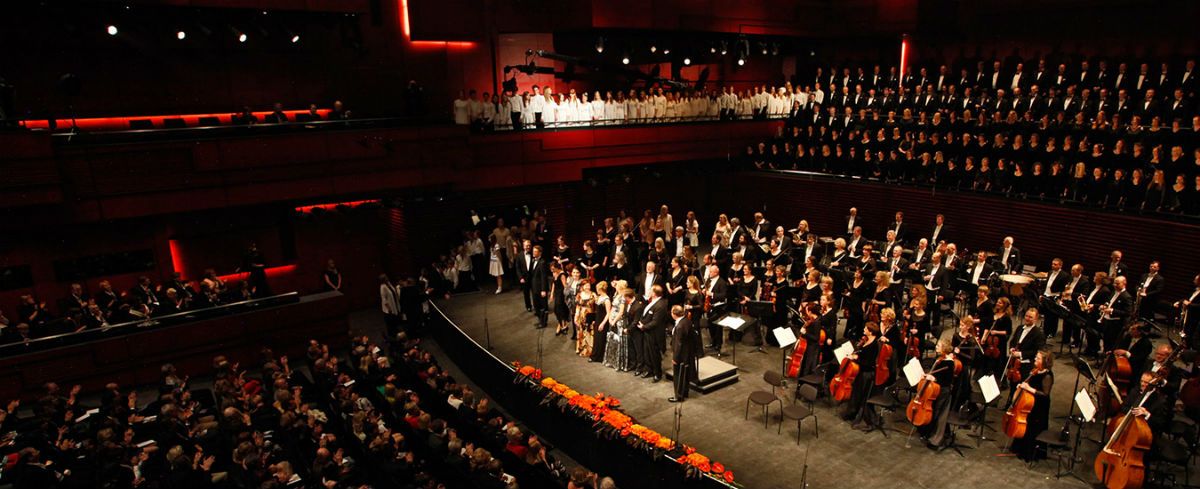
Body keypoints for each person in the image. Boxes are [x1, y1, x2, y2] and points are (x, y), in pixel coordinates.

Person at [1009, 350, 1054, 462]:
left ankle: (1031, 453)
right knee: (1027, 425)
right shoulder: (1035, 371)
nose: (1035, 359)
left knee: (1034, 427)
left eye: (1038, 358)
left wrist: (1028, 388)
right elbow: (1030, 383)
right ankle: (1020, 448)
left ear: (1044, 361)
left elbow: (1045, 394)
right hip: (1030, 403)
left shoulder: (1047, 375)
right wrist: (1022, 385)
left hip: (1040, 405)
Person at [636, 285, 668, 382]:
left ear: (654, 293)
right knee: (647, 352)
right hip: (647, 332)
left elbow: (656, 322)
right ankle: (649, 370)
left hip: (654, 334)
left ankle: (657, 373)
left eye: (650, 290)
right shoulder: (652, 301)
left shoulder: (661, 305)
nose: (648, 291)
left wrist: (643, 326)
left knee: (654, 354)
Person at [669, 305, 699, 402]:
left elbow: (678, 344)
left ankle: (678, 396)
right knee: (684, 374)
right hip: (687, 353)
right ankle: (684, 392)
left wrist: (675, 358)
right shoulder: (686, 320)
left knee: (678, 375)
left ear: (674, 314)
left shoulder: (680, 326)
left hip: (681, 355)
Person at [529, 245, 550, 328]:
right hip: (534, 288)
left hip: (540, 289)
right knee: (536, 305)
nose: (533, 253)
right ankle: (540, 321)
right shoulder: (534, 260)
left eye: (535, 251)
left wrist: (543, 290)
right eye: (533, 251)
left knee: (543, 306)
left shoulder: (542, 262)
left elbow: (543, 277)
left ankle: (543, 323)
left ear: (540, 253)